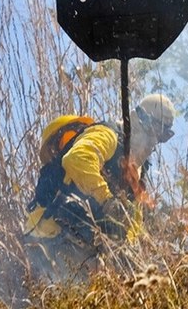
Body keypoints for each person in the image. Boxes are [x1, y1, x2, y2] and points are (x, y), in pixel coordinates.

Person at [23, 93, 176, 281]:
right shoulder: (108, 134)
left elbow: (133, 219)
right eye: (153, 131)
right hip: (49, 234)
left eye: (162, 136)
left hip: (80, 246)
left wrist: (136, 251)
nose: (154, 141)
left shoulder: (137, 169)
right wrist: (107, 200)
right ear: (137, 120)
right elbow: (77, 158)